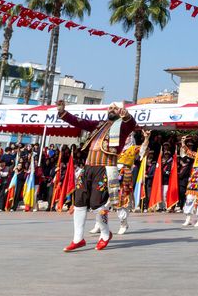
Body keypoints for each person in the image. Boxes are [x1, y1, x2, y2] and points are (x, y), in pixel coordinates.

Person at [57, 100, 139, 252]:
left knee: (97, 204)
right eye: (110, 107)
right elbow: (79, 122)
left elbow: (131, 123)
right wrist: (63, 112)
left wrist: (126, 115)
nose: (112, 109)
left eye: (115, 108)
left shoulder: (123, 126)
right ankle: (78, 238)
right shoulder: (98, 125)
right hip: (88, 167)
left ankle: (106, 234)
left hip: (104, 168)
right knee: (79, 201)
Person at [112, 129, 150, 235]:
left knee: (122, 199)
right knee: (104, 199)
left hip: (125, 175)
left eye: (128, 136)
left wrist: (146, 138)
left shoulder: (133, 148)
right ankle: (99, 223)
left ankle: (123, 223)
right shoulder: (115, 148)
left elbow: (143, 148)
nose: (126, 138)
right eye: (124, 135)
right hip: (112, 174)